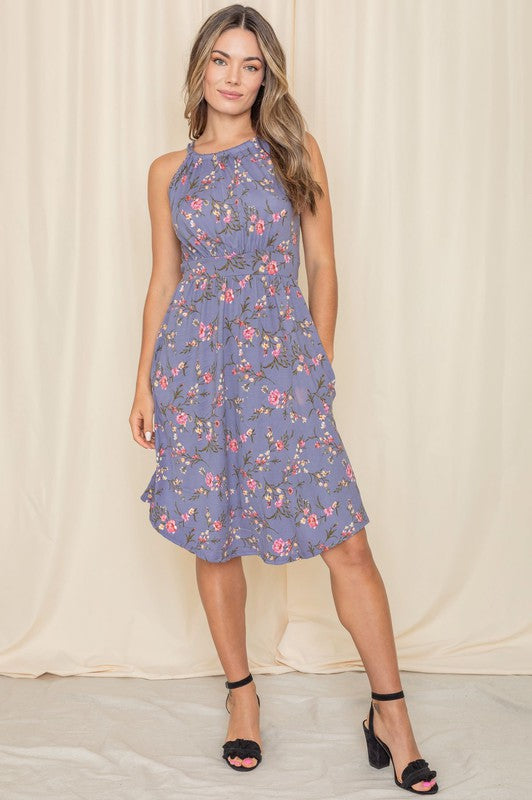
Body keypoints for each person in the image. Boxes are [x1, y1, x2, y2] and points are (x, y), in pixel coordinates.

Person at [129, 4, 438, 793]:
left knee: (348, 543)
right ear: (200, 69)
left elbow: (324, 267)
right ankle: (241, 700)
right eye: (222, 61)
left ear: (268, 76)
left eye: (252, 64)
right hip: (195, 373)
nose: (235, 78)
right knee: (213, 537)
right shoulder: (170, 171)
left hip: (282, 370)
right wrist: (143, 385)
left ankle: (391, 712)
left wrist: (316, 366)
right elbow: (165, 280)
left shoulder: (292, 153)